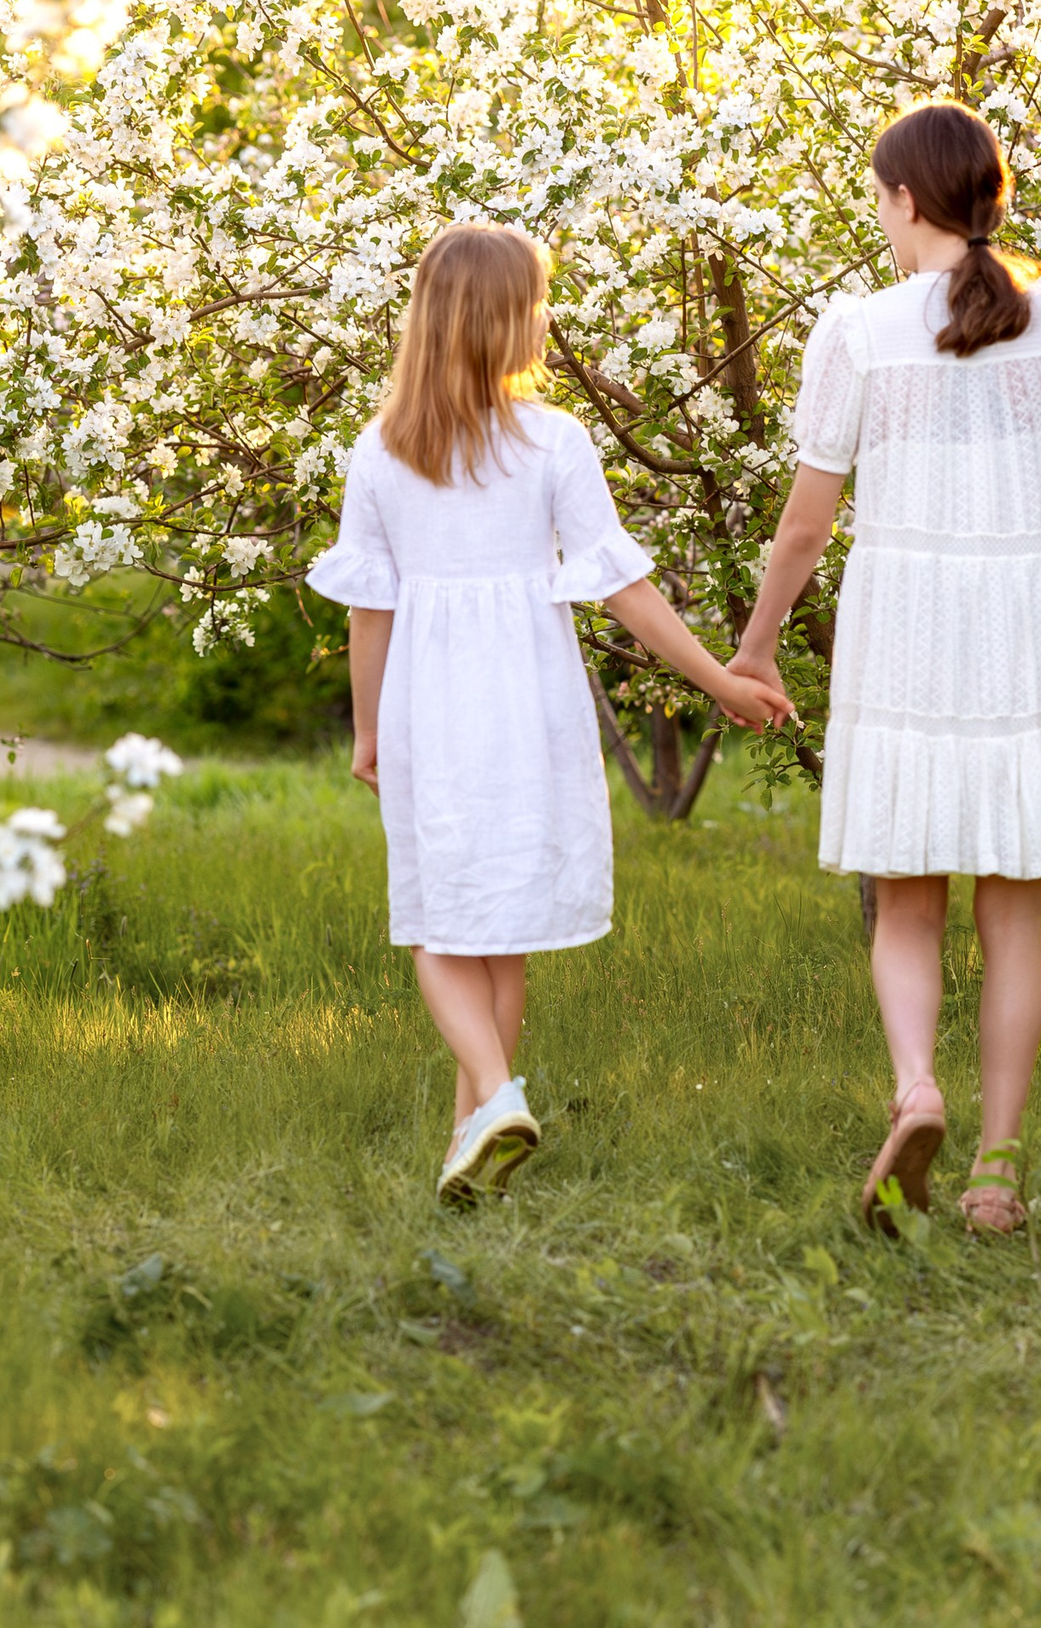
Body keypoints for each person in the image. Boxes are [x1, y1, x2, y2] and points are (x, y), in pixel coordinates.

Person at [729, 102, 1041, 1237]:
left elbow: (805, 523)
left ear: (902, 199)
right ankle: (995, 1168)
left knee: (906, 899)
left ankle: (915, 1090)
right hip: (1028, 625)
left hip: (906, 625)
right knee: (1014, 910)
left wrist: (755, 637)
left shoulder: (857, 331)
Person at [312, 222, 792, 1207]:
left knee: (438, 926)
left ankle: (489, 1100)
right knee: (496, 932)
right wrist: (718, 678)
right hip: (527, 700)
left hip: (431, 704)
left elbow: (374, 613)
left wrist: (368, 730)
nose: (544, 318)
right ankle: (473, 1140)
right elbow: (625, 589)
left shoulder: (382, 450)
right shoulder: (552, 441)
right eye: (534, 303)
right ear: (498, 321)